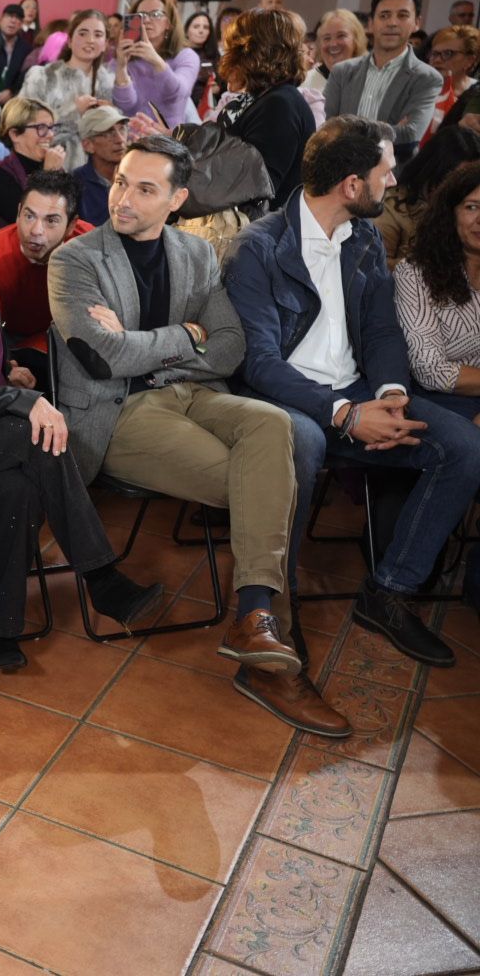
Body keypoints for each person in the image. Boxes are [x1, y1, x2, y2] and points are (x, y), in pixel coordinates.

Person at [50, 134, 346, 734]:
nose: (123, 197)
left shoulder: (196, 254)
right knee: (263, 480)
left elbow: (232, 346)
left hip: (193, 394)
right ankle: (271, 646)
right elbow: (103, 358)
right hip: (119, 413)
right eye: (119, 181)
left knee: (275, 425)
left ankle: (254, 617)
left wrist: (155, 351)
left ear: (177, 199)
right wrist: (189, 336)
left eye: (145, 188)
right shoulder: (75, 259)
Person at [227, 117, 480, 669]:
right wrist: (344, 413)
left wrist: (389, 393)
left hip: (361, 390)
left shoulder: (362, 237)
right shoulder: (258, 247)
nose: (392, 184)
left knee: (463, 446)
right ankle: (273, 610)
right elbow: (260, 363)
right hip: (287, 400)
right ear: (351, 185)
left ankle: (387, 592)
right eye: (385, 174)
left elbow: (385, 330)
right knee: (301, 446)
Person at [0, 151, 160, 668]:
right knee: (44, 438)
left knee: (14, 489)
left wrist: (12, 366)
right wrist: (25, 399)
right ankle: (103, 580)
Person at [0, 169, 93, 391]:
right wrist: (5, 368)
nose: (35, 231)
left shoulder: (90, 245)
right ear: (17, 212)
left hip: (73, 336)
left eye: (51, 221)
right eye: (29, 216)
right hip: (13, 341)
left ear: (72, 225)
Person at [394, 160, 480, 429]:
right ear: (450, 213)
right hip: (437, 400)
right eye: (472, 207)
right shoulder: (415, 274)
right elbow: (430, 370)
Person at [325, 0, 444, 164]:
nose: (392, 23)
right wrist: (391, 130)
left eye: (402, 15)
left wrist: (347, 130)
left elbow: (410, 134)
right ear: (371, 23)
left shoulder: (427, 78)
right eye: (384, 15)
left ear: (417, 23)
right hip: (340, 171)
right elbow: (327, 127)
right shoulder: (342, 71)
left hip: (391, 180)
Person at [217, 8, 317, 205]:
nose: (227, 54)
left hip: (257, 231)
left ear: (251, 52)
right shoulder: (267, 97)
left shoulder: (279, 104)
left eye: (233, 47)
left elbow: (259, 190)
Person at [22, 9, 114, 167]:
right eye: (83, 33)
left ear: (105, 44)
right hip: (47, 169)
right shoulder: (42, 76)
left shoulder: (107, 83)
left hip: (93, 174)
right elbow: (26, 127)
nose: (90, 40)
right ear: (70, 40)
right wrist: (74, 114)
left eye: (98, 35)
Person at [378, 126, 480, 266]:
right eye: (458, 178)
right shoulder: (391, 209)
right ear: (435, 169)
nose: (464, 186)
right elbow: (374, 267)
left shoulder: (467, 209)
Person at [112, 0, 200, 127]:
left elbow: (177, 94)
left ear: (169, 23)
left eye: (156, 14)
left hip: (167, 140)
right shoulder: (125, 54)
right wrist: (121, 67)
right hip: (130, 137)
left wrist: (156, 61)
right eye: (141, 15)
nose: (146, 20)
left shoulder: (186, 56)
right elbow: (125, 105)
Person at [0, 96, 66, 228]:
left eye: (51, 127)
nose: (50, 135)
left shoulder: (57, 167)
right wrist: (48, 175)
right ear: (15, 134)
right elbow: (26, 221)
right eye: (41, 128)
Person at [72, 104, 126, 224]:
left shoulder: (138, 178)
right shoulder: (74, 185)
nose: (120, 139)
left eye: (122, 129)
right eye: (109, 133)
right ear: (88, 145)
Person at [424, 25, 480, 141]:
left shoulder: (477, 95)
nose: (438, 60)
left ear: (470, 60)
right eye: (434, 54)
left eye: (448, 53)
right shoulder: (418, 88)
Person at [302, 10, 368, 93]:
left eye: (341, 36)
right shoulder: (305, 85)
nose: (333, 44)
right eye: (327, 38)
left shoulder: (370, 82)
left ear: (356, 40)